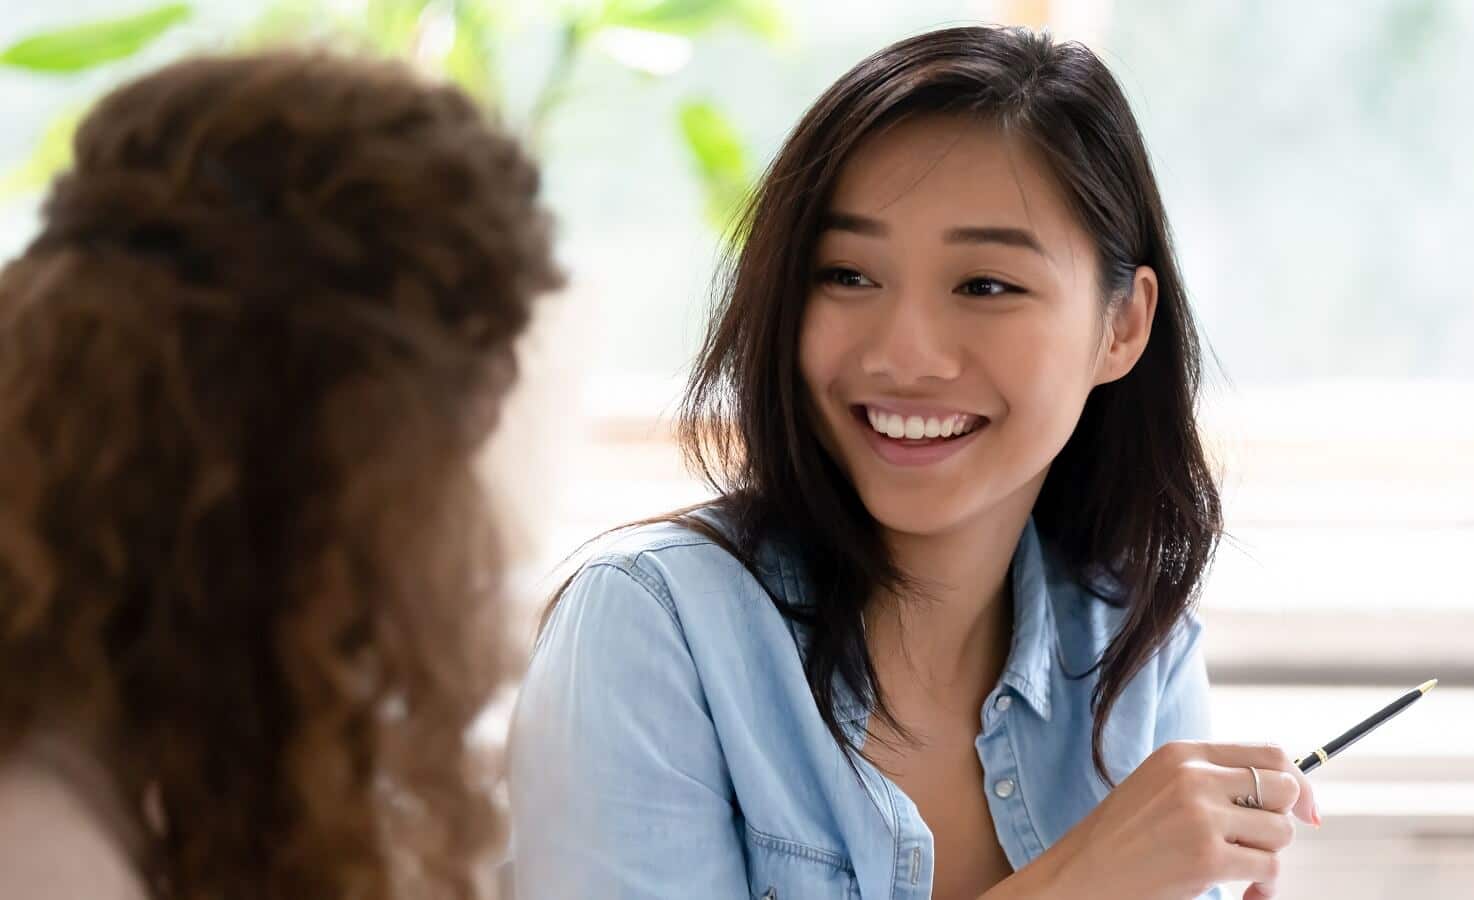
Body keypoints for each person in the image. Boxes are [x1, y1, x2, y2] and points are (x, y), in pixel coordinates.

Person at [510, 24, 1319, 900]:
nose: (905, 354)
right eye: (849, 275)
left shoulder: (1133, 650)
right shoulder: (652, 631)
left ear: (1120, 326)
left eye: (985, 285)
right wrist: (1080, 882)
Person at [0, 50, 562, 899]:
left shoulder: (120, 756)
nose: (468, 527)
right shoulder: (42, 850)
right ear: (335, 448)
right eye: (451, 454)